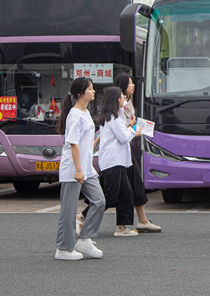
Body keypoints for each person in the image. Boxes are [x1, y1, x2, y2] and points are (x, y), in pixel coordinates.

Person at [54, 77, 105, 260]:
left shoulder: (85, 112)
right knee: (68, 211)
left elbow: (84, 144)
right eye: (90, 89)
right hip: (74, 169)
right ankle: (63, 248)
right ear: (80, 94)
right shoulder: (75, 114)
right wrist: (78, 170)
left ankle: (84, 240)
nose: (93, 91)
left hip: (86, 168)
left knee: (99, 201)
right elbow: (73, 144)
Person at [112, 73, 161, 233]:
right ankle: (83, 217)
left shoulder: (127, 103)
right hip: (119, 153)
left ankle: (141, 220)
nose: (133, 85)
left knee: (133, 186)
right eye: (130, 83)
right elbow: (122, 130)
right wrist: (133, 127)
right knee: (116, 191)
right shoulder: (120, 106)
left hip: (126, 150)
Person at [93, 86, 143, 236]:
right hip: (113, 162)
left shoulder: (115, 115)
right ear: (116, 100)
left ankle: (121, 227)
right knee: (110, 196)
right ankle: (83, 217)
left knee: (126, 194)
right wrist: (133, 130)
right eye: (122, 97)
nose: (124, 99)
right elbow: (124, 137)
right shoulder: (113, 118)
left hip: (119, 161)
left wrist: (130, 123)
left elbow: (127, 113)